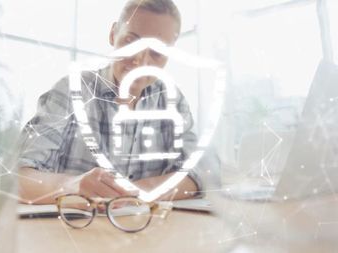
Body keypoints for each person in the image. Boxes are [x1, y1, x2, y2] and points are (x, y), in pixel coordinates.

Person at [18, 0, 205, 204]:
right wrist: (71, 186)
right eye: (131, 41)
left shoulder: (172, 100)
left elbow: (199, 173)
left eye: (157, 52)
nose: (140, 62)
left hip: (147, 231)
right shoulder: (71, 92)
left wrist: (131, 194)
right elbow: (15, 178)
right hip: (75, 230)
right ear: (113, 34)